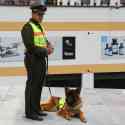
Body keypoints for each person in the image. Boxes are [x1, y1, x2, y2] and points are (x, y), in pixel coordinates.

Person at [21, 0, 53, 121]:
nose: (41, 17)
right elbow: (30, 46)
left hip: (40, 60)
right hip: (32, 59)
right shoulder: (27, 27)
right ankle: (30, 112)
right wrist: (46, 51)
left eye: (42, 15)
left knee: (39, 85)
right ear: (33, 13)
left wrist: (49, 45)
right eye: (39, 15)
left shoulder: (39, 26)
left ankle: (36, 109)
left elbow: (43, 40)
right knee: (32, 85)